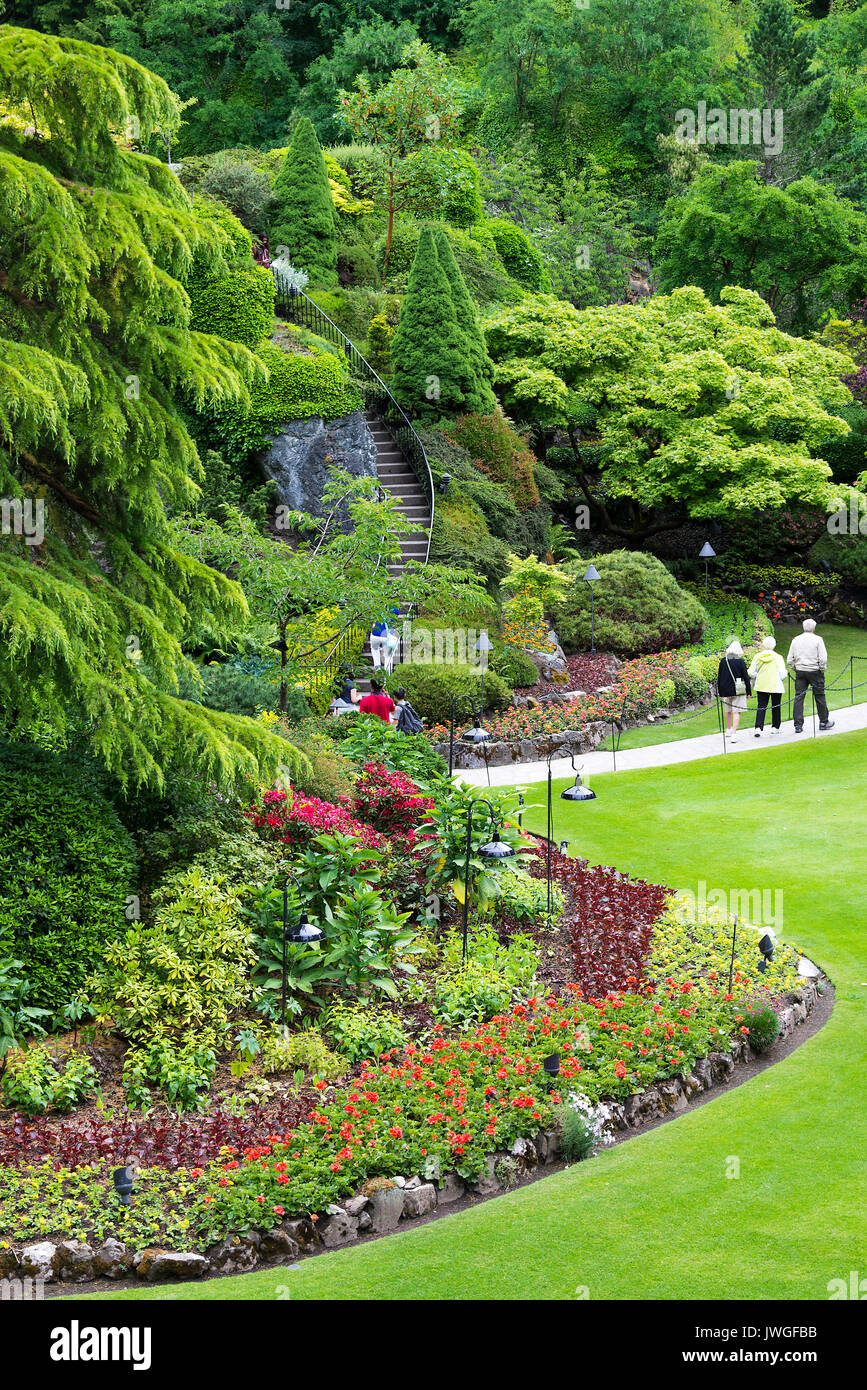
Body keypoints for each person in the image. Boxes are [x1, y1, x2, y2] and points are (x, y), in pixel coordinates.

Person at [787, 618, 834, 732]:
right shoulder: (818, 640)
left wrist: (795, 668)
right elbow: (823, 658)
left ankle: (798, 726)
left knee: (799, 697)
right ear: (814, 628)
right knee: (819, 696)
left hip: (801, 671)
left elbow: (789, 659)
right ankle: (823, 722)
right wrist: (821, 669)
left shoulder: (796, 640)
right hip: (814, 671)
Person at [748, 636, 786, 737]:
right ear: (774, 645)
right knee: (776, 706)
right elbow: (783, 674)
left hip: (761, 684)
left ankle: (758, 728)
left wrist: (758, 676)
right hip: (776, 685)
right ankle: (775, 727)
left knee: (761, 706)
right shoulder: (778, 657)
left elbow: (751, 672)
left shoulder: (757, 656)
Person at [717, 639, 751, 743]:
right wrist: (748, 692)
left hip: (726, 690)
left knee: (728, 711)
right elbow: (746, 677)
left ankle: (728, 729)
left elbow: (719, 677)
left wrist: (719, 691)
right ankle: (734, 734)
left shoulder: (723, 660)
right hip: (738, 690)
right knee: (737, 712)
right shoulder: (740, 661)